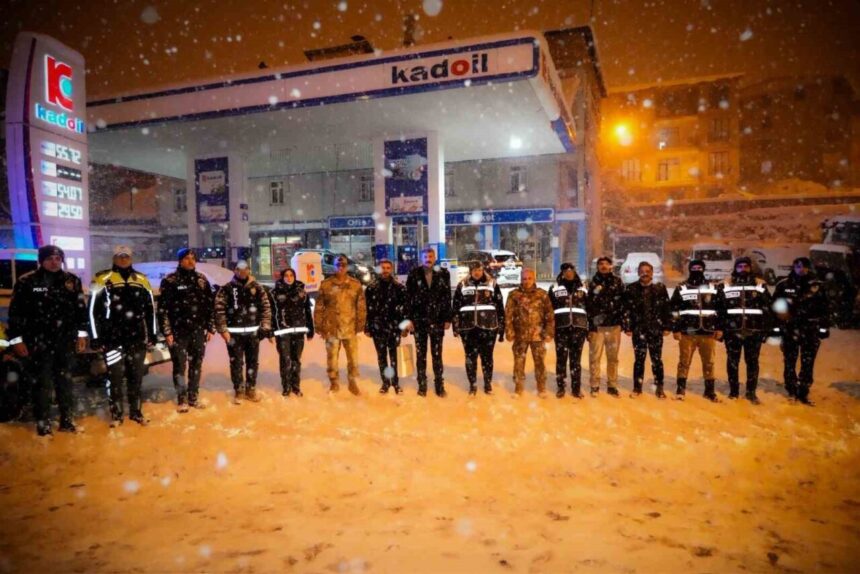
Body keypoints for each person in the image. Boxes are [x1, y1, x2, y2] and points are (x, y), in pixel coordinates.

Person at [7, 245, 88, 435]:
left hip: (65, 341)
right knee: (42, 384)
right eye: (50, 258)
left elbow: (80, 311)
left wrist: (82, 335)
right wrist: (16, 340)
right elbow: (16, 315)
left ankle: (66, 420)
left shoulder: (72, 281)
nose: (54, 262)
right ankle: (43, 423)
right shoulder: (27, 281)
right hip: (38, 342)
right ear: (41, 260)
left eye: (58, 258)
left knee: (65, 382)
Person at [90, 245, 158, 426]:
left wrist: (152, 333)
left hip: (136, 338)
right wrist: (95, 336)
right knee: (115, 377)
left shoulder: (142, 279)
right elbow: (92, 310)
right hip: (112, 339)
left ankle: (136, 412)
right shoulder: (101, 278)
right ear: (114, 258)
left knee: (136, 377)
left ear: (131, 258)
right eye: (119, 256)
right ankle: (117, 414)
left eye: (126, 256)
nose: (123, 259)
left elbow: (150, 309)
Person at [157, 248, 215, 412]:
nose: (191, 261)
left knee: (196, 364)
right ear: (180, 261)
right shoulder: (171, 281)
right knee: (180, 366)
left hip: (197, 331)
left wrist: (210, 327)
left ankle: (193, 397)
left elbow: (209, 305)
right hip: (178, 332)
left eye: (193, 258)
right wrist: (167, 332)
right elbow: (163, 310)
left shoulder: (201, 280)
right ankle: (182, 398)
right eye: (187, 258)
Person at [772, 257, 830, 405]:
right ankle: (791, 389)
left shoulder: (817, 286)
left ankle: (804, 390)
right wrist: (776, 328)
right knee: (790, 361)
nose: (801, 269)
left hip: (811, 329)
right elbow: (776, 308)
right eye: (798, 266)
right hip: (790, 329)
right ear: (793, 267)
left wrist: (824, 328)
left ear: (809, 268)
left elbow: (825, 309)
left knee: (808, 362)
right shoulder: (784, 285)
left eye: (804, 266)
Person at [716, 256, 772, 404]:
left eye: (745, 266)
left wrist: (766, 330)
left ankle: (751, 392)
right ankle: (733, 391)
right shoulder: (726, 285)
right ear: (735, 268)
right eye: (739, 266)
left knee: (752, 363)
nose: (742, 269)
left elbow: (768, 309)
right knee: (733, 362)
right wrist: (720, 328)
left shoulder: (760, 285)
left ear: (750, 268)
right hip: (732, 332)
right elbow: (720, 309)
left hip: (753, 332)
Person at [214, 260, 272, 404]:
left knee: (253, 363)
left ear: (249, 270)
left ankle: (251, 389)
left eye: (245, 269)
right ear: (235, 270)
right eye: (240, 269)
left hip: (253, 334)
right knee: (236, 363)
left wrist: (265, 327)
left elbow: (266, 308)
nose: (243, 272)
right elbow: (219, 310)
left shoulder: (257, 288)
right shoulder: (227, 289)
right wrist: (223, 330)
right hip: (234, 335)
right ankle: (239, 390)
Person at [669, 259, 723, 402]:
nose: (697, 269)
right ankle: (680, 389)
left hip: (708, 332)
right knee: (684, 362)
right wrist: (676, 329)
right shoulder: (682, 287)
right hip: (687, 332)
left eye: (699, 267)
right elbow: (674, 309)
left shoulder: (713, 287)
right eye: (694, 267)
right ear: (689, 269)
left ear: (703, 269)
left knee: (709, 362)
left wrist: (719, 327)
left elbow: (720, 309)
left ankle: (709, 391)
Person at [314, 254, 366, 395]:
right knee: (332, 359)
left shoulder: (355, 285)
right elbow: (319, 306)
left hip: (350, 326)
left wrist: (360, 324)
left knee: (353, 359)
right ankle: (334, 382)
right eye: (338, 264)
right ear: (334, 265)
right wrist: (318, 325)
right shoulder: (326, 284)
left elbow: (361, 306)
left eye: (343, 264)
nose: (341, 267)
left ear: (347, 266)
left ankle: (352, 381)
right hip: (332, 327)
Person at [404, 247, 452, 397]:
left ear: (435, 257)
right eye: (425, 256)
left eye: (430, 256)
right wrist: (408, 319)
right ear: (421, 258)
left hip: (437, 321)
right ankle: (422, 384)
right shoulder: (414, 274)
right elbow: (408, 299)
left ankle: (439, 385)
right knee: (421, 355)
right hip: (419, 321)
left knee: (437, 355)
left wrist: (447, 318)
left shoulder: (444, 274)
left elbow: (446, 297)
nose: (428, 259)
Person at [452, 261, 505, 395]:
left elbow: (499, 306)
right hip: (468, 328)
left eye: (479, 270)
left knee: (487, 357)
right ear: (471, 271)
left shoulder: (492, 284)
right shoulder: (462, 285)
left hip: (488, 328)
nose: (477, 272)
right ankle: (473, 385)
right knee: (471, 358)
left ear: (483, 270)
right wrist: (455, 326)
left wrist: (501, 326)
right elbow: (455, 307)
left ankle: (487, 384)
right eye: (474, 270)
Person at [622, 261, 671, 398]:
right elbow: (627, 310)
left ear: (652, 273)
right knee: (639, 360)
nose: (645, 273)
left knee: (657, 360)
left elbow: (666, 309)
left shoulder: (660, 288)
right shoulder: (631, 289)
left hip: (656, 330)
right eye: (642, 271)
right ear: (638, 273)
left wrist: (667, 326)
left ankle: (659, 387)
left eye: (648, 271)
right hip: (639, 330)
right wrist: (627, 326)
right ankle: (637, 388)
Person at [505, 268, 554, 396]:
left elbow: (549, 315)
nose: (526, 281)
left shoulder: (542, 294)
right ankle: (518, 387)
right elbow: (508, 315)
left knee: (540, 363)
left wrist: (549, 332)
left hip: (538, 335)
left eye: (529, 278)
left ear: (534, 279)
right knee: (519, 363)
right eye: (524, 279)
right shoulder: (514, 295)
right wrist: (509, 331)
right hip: (520, 335)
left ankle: (541, 387)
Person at [364, 259, 407, 394]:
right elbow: (368, 310)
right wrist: (368, 327)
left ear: (392, 269)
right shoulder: (371, 288)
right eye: (383, 267)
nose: (385, 270)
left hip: (394, 328)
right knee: (381, 356)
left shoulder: (399, 288)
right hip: (378, 328)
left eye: (388, 268)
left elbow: (403, 309)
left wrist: (403, 326)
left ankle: (395, 382)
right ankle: (385, 383)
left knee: (394, 357)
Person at [548, 263, 589, 398]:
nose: (569, 272)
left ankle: (576, 389)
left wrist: (589, 328)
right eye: (566, 270)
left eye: (571, 270)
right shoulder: (554, 288)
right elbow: (549, 310)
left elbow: (589, 308)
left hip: (579, 328)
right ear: (562, 273)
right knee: (561, 359)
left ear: (575, 271)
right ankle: (561, 387)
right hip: (561, 329)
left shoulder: (584, 287)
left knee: (576, 361)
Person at [271, 268, 314, 397]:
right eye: (286, 275)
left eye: (291, 275)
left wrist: (310, 328)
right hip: (283, 332)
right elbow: (272, 313)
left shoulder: (302, 292)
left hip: (299, 331)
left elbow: (307, 311)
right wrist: (271, 331)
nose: (289, 278)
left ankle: (296, 386)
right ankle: (286, 386)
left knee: (296, 360)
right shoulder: (275, 293)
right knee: (285, 360)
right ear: (282, 277)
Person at [586, 256, 625, 397]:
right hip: (597, 328)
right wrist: (590, 326)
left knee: (613, 358)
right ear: (597, 267)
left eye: (606, 264)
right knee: (595, 358)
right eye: (600, 264)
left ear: (611, 266)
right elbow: (589, 305)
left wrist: (622, 321)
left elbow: (623, 303)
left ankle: (612, 385)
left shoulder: (617, 282)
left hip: (614, 326)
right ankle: (595, 385)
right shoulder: (592, 283)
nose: (603, 266)